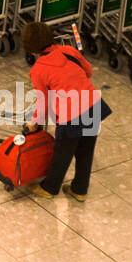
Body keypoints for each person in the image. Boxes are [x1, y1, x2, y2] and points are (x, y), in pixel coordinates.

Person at [21, 21, 110, 201]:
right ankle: (79, 189)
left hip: (71, 117)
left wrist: (33, 122)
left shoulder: (39, 70)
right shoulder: (69, 51)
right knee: (86, 152)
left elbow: (43, 101)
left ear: (30, 48)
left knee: (62, 154)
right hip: (93, 106)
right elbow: (89, 71)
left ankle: (49, 188)